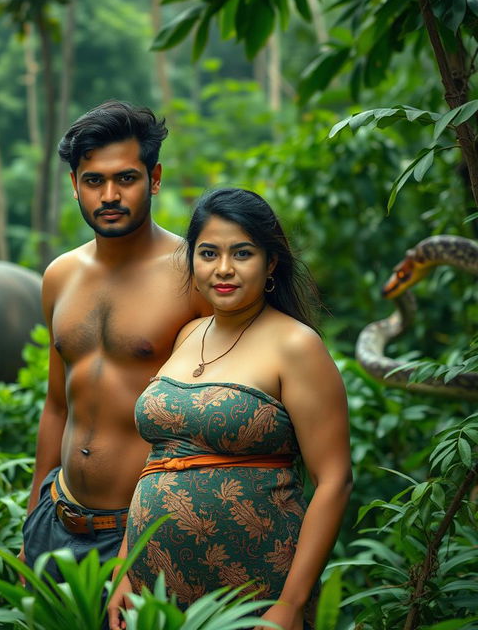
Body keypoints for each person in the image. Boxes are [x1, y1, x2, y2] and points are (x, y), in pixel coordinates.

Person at [108, 187, 352, 630]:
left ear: (270, 262)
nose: (223, 269)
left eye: (242, 253)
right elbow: (159, 463)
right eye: (208, 253)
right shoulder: (188, 334)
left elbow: (334, 481)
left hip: (257, 590)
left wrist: (291, 604)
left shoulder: (296, 345)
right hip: (155, 589)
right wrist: (124, 569)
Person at [21, 101, 209, 585]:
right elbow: (57, 405)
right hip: (57, 518)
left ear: (155, 177)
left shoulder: (193, 276)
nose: (109, 195)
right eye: (93, 181)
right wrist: (31, 521)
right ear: (75, 185)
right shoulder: (60, 276)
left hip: (143, 532)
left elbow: (203, 426)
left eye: (126, 179)